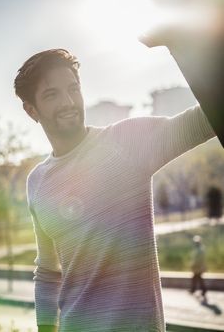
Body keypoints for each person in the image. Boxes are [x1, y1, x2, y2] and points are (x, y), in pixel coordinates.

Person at [14, 48, 216, 332]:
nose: (69, 101)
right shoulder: (37, 181)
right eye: (52, 94)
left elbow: (208, 117)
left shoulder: (128, 142)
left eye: (74, 89)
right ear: (31, 110)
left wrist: (182, 47)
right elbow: (48, 273)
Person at [190, 235, 207, 300]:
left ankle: (195, 290)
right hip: (197, 267)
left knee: (197, 279)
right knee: (197, 279)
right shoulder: (198, 249)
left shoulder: (200, 249)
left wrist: (193, 265)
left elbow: (198, 260)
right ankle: (194, 290)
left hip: (198, 267)